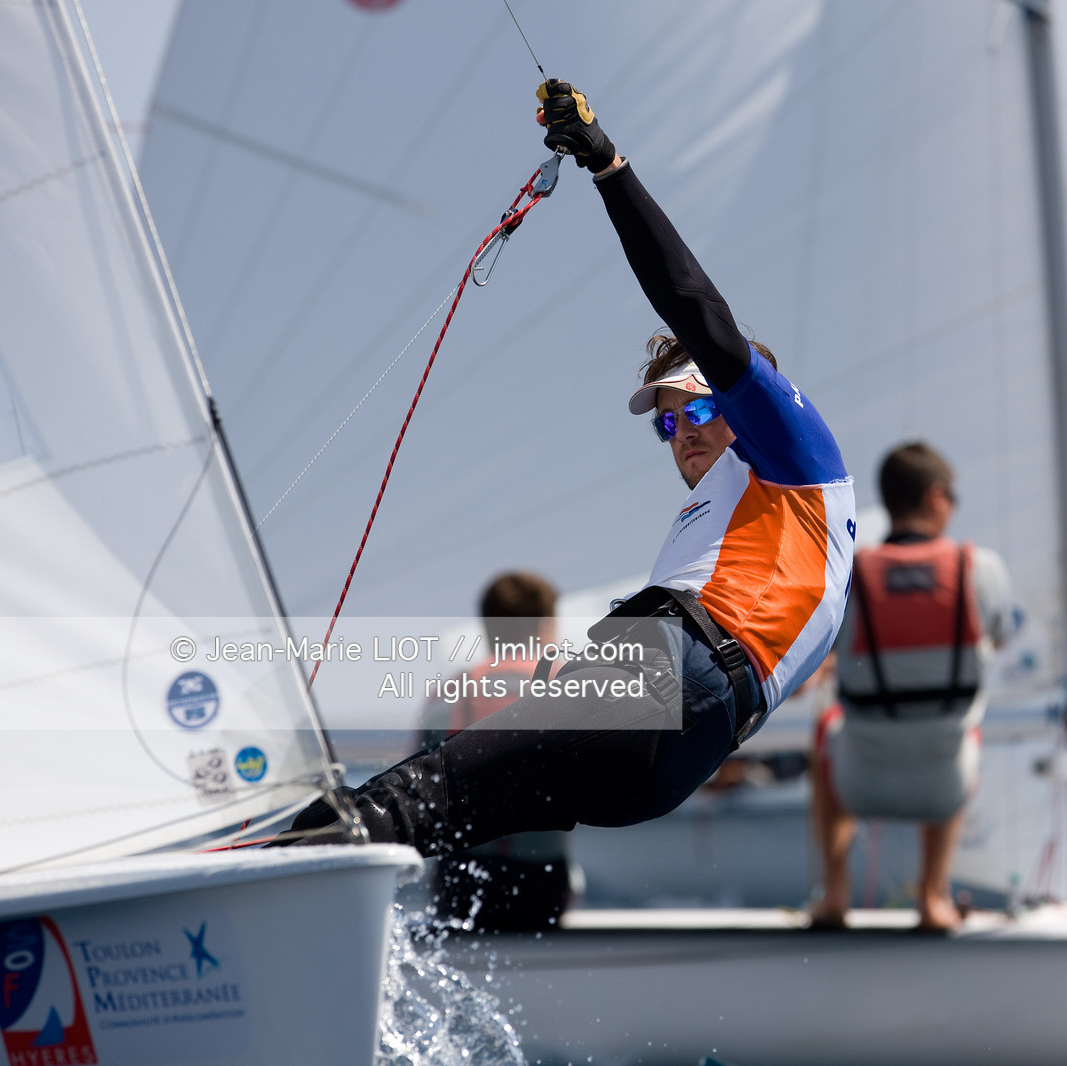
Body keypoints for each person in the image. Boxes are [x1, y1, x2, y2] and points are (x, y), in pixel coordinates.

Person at [276, 80, 855, 855]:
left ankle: (260, 866)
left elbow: (692, 303)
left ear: (745, 402)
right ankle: (313, 891)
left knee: (423, 793)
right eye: (667, 423)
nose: (681, 432)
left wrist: (609, 167)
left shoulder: (794, 456)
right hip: (675, 756)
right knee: (432, 823)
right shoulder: (748, 522)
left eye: (697, 407)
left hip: (678, 681)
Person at [810, 442, 1010, 931]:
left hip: (858, 783)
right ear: (937, 497)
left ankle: (835, 891)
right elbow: (999, 639)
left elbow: (821, 652)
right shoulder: (979, 570)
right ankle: (932, 896)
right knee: (959, 726)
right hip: (946, 784)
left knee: (825, 726)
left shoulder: (851, 576)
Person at [418, 572, 576, 930]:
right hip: (540, 873)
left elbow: (419, 786)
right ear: (545, 625)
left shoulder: (449, 694)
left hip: (464, 873)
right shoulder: (570, 686)